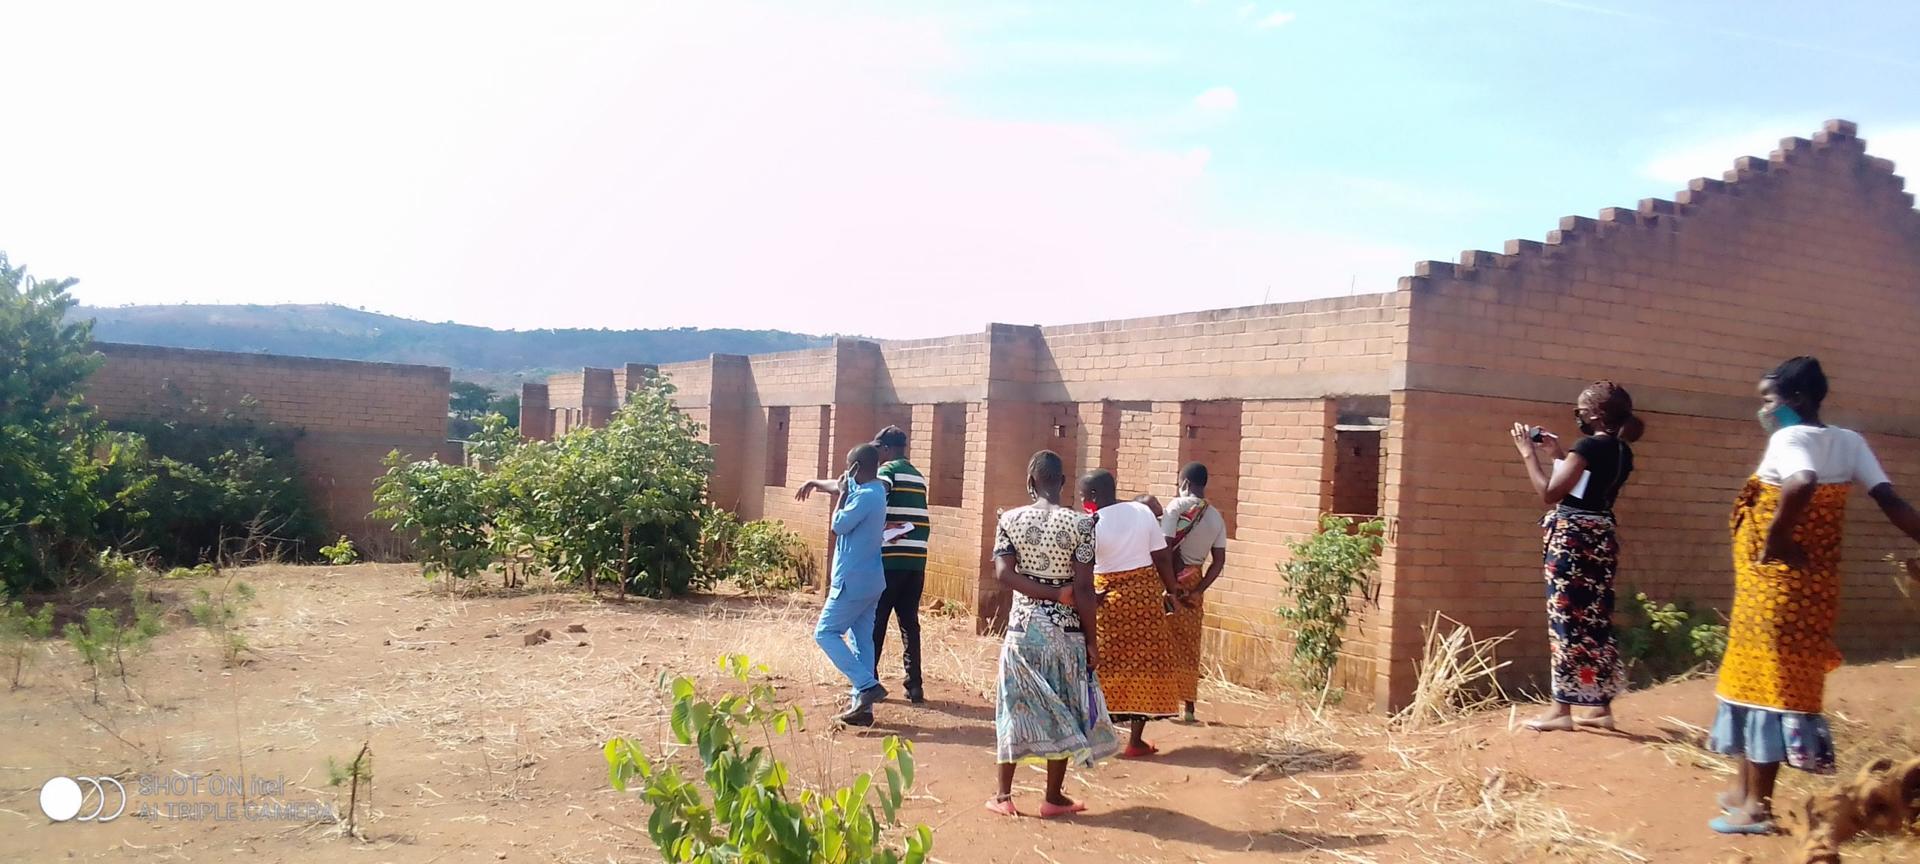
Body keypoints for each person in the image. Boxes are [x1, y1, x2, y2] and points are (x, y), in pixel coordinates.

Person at [1707, 357, 1920, 835]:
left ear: (1797, 398)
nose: (1764, 409)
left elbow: (1801, 481)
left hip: (1777, 590)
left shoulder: (1789, 439)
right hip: (1810, 588)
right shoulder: (1849, 442)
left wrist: (1777, 539)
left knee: (1769, 690)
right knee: (1754, 682)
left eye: (1769, 399)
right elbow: (1890, 500)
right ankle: (1741, 791)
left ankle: (1756, 809)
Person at [985, 451, 1121, 818]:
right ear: (1062, 482)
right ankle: (1052, 797)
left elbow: (1004, 574)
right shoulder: (1082, 525)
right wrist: (1091, 640)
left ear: (1030, 482)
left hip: (1022, 631)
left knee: (1013, 708)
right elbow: (1085, 589)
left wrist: (1047, 593)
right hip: (1066, 633)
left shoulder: (1009, 520)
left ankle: (1003, 796)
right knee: (1064, 705)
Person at [1508, 381, 1644, 732]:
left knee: (1566, 620)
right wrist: (1558, 455)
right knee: (1595, 622)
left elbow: (1550, 493)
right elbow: (1584, 491)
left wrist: (1528, 453)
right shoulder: (1622, 450)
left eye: (1581, 411)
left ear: (1596, 414)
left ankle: (1561, 710)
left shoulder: (1587, 446)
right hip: (1601, 539)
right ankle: (1600, 707)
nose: (1578, 416)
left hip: (1573, 543)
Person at [798, 426, 928, 702]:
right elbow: (853, 485)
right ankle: (913, 685)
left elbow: (854, 499)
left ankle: (867, 683)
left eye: (879, 449)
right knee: (908, 623)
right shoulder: (917, 475)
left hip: (888, 560)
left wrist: (835, 491)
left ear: (886, 450)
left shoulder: (885, 475)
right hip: (916, 560)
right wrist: (819, 483)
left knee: (869, 627)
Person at [1080, 469, 1183, 758]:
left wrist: (1088, 597)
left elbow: (1083, 571)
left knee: (1103, 667)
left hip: (1107, 604)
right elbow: (1161, 557)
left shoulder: (1090, 524)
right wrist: (1171, 591)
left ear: (1094, 495)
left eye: (1083, 496)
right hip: (1143, 601)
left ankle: (1096, 736)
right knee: (1143, 666)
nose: (1082, 501)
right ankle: (1135, 742)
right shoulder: (1142, 511)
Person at [812, 444, 890, 726]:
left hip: (852, 581)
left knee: (825, 633)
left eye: (848, 467)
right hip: (870, 580)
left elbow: (839, 525)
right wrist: (815, 483)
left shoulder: (863, 497)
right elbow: (838, 484)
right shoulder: (876, 490)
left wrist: (843, 496)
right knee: (861, 641)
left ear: (855, 467)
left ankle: (866, 685)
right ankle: (863, 709)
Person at [1161, 462, 1228, 724]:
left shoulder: (1177, 507)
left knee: (1162, 641)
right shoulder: (1216, 517)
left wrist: (1170, 586)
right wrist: (1198, 590)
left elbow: (1164, 548)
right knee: (1189, 644)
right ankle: (1188, 706)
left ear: (1185, 483)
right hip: (1193, 581)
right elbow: (1219, 561)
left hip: (1168, 580)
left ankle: (1162, 703)